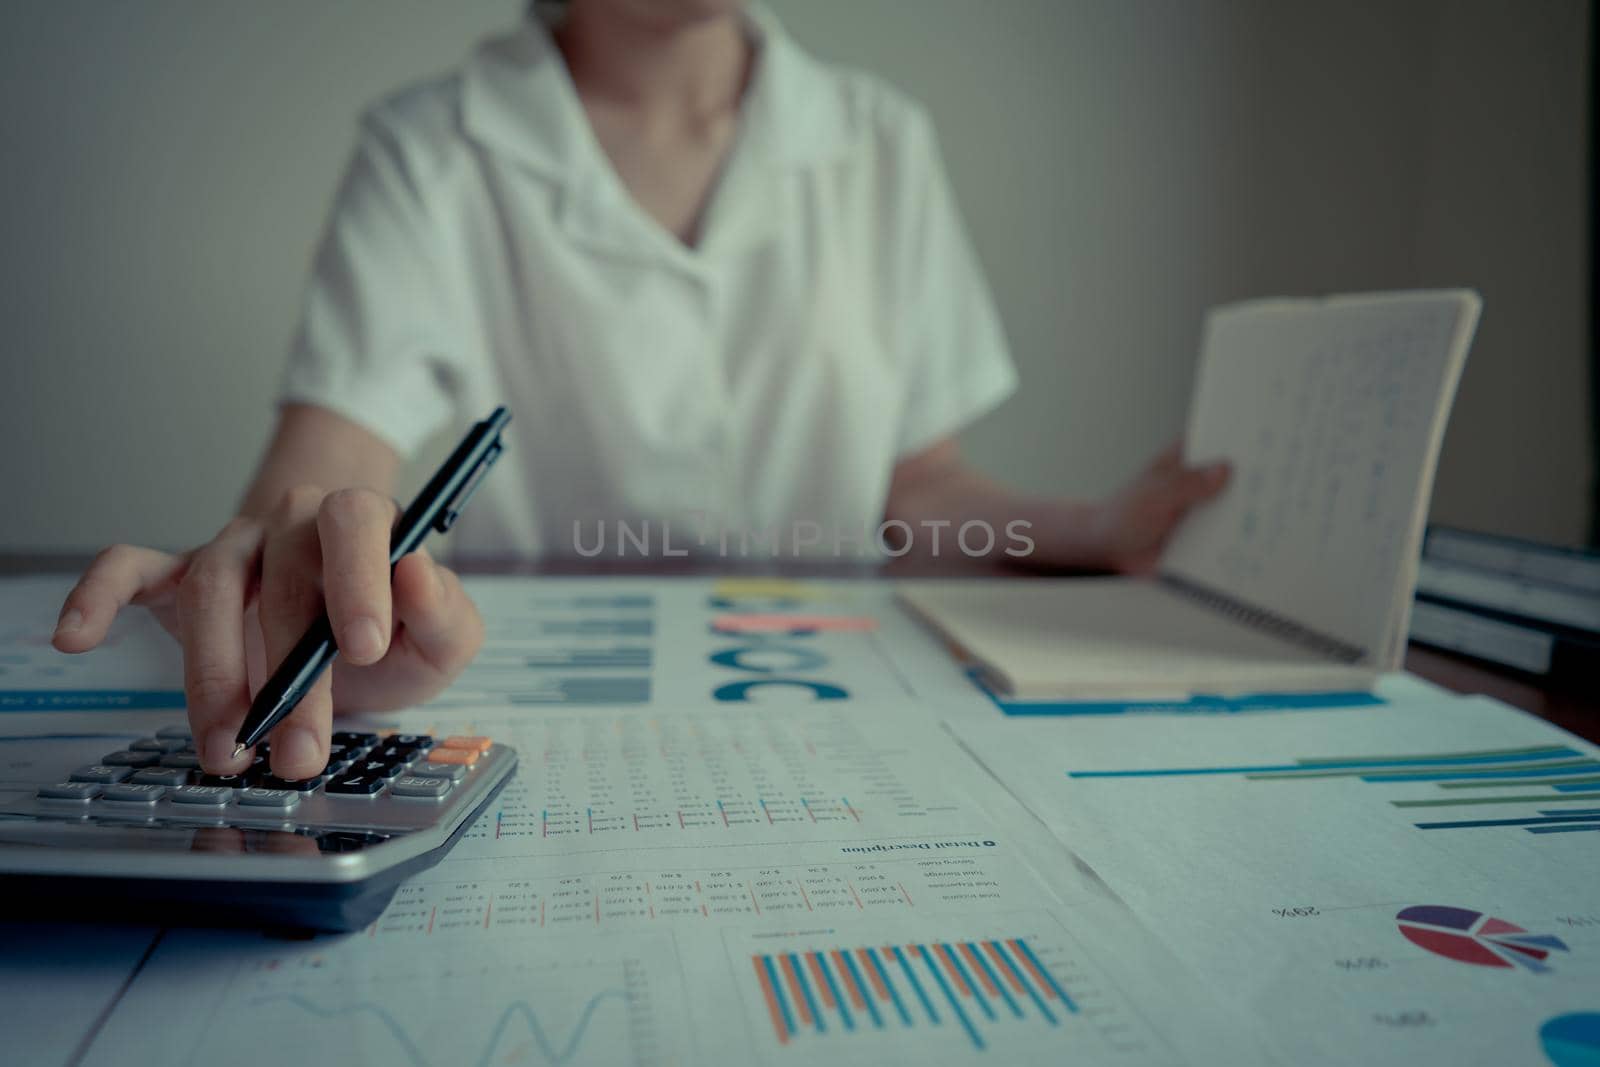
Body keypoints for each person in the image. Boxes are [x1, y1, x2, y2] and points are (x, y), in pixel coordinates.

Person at [50, 0, 1229, 782]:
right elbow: (331, 461)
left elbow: (918, 484)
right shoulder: (429, 147)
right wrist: (307, 569)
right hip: (531, 722)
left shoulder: (880, 140)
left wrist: (1088, 529)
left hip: (837, 721)